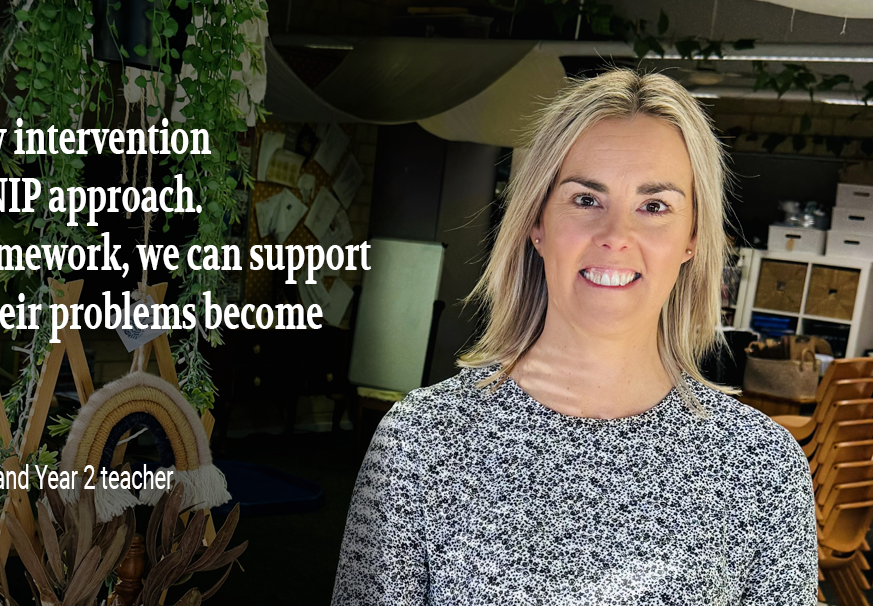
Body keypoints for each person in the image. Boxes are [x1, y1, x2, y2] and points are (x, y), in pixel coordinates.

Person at [332, 69, 815, 605]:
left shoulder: (761, 468)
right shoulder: (421, 444)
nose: (615, 237)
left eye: (654, 207)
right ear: (536, 222)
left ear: (692, 240)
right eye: (586, 199)